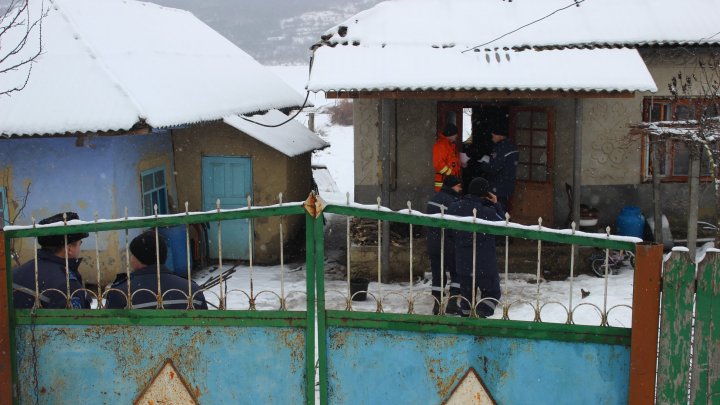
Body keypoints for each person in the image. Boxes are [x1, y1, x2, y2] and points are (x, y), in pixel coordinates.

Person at [105, 230, 208, 309]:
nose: (131, 258)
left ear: (138, 258)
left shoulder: (121, 293)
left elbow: (110, 330)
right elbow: (205, 327)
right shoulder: (191, 289)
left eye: (133, 255)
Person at [448, 177, 505, 318]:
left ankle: (466, 322)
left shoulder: (455, 208)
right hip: (485, 264)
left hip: (463, 261)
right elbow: (504, 225)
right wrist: (496, 204)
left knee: (467, 297)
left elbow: (448, 231)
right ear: (485, 193)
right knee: (492, 293)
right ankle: (481, 315)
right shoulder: (489, 212)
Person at [12, 212, 91, 309]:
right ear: (69, 249)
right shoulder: (68, 285)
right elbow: (77, 322)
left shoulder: (16, 273)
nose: (80, 248)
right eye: (80, 243)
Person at [426, 175, 463, 315]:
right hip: (450, 244)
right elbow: (456, 225)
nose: (460, 188)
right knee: (456, 274)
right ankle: (452, 303)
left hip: (433, 243)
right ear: (453, 186)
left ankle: (436, 305)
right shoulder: (454, 202)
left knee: (438, 276)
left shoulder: (433, 199)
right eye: (458, 185)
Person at [478, 125, 519, 211]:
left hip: (498, 186)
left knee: (497, 210)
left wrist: (483, 163)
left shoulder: (501, 149)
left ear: (500, 136)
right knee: (502, 209)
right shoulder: (511, 146)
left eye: (494, 135)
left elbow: (494, 168)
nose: (492, 136)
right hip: (506, 185)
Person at [432, 123, 462, 192]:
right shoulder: (440, 145)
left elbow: (453, 161)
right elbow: (438, 164)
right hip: (443, 183)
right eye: (456, 134)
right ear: (451, 134)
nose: (457, 136)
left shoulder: (451, 145)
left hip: (451, 182)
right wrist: (451, 174)